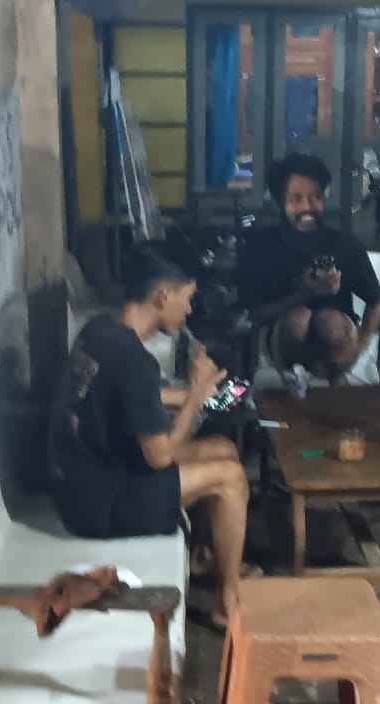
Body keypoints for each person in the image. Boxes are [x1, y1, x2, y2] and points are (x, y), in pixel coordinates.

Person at [48, 249, 251, 625]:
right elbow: (160, 456)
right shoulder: (136, 362)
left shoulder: (100, 331)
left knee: (222, 449)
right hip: (101, 506)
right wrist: (195, 396)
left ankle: (205, 555)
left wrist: (186, 395)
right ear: (163, 296)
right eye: (187, 298)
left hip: (78, 483)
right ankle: (228, 603)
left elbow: (125, 393)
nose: (189, 309)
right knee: (231, 478)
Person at [238, 152, 380, 386]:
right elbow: (254, 313)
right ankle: (322, 380)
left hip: (339, 342)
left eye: (315, 197)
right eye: (296, 199)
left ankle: (332, 375)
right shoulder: (260, 247)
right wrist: (303, 294)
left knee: (330, 324)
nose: (307, 207)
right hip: (286, 343)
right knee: (298, 320)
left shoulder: (343, 244)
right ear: (278, 201)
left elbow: (377, 301)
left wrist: (361, 345)